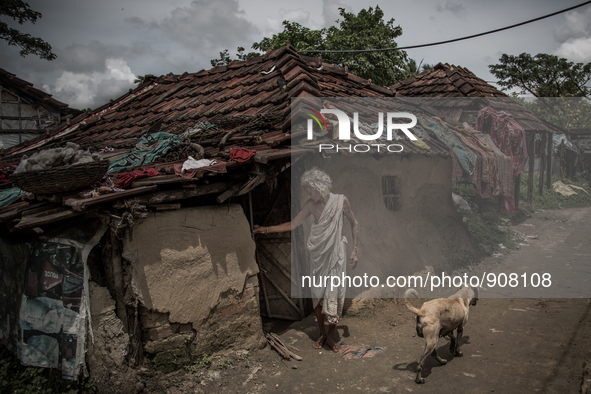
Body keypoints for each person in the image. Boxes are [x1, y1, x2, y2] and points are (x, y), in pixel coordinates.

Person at [253, 167, 359, 352]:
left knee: (333, 294)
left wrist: (354, 251)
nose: (308, 194)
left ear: (319, 187)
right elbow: (293, 224)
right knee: (317, 297)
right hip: (318, 257)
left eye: (310, 190)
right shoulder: (311, 205)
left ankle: (331, 337)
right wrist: (265, 229)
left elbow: (354, 223)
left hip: (335, 256)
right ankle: (322, 332)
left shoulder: (341, 201)